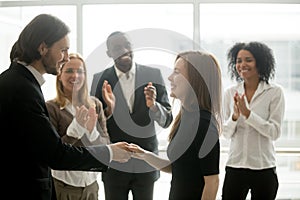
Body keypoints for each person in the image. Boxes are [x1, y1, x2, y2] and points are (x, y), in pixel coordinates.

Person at [0, 14, 131, 200]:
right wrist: (109, 153)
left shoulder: (19, 82)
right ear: (43, 48)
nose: (66, 57)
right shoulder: (23, 89)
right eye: (63, 50)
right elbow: (55, 154)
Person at [128, 50, 222, 200]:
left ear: (194, 80)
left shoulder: (204, 125)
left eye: (177, 72)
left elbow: (212, 182)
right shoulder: (185, 118)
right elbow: (178, 168)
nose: (170, 77)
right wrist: (144, 155)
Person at [90, 31, 173, 200]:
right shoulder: (100, 79)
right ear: (109, 53)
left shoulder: (153, 75)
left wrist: (154, 106)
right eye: (117, 47)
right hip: (114, 164)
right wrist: (109, 110)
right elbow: (94, 125)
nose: (124, 50)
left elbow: (167, 120)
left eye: (127, 45)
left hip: (146, 163)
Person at [221, 41, 285, 200]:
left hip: (264, 168)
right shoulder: (230, 93)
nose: (242, 64)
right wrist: (235, 117)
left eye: (248, 60)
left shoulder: (274, 92)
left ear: (260, 62)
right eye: (238, 60)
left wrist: (248, 114)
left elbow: (274, 133)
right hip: (235, 167)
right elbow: (226, 133)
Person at [46, 52, 114, 200]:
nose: (75, 76)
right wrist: (74, 130)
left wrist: (92, 132)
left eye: (80, 71)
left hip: (91, 185)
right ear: (59, 74)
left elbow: (105, 144)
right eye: (69, 71)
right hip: (64, 186)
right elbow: (52, 153)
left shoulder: (95, 104)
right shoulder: (51, 107)